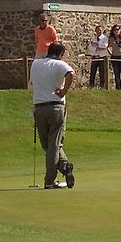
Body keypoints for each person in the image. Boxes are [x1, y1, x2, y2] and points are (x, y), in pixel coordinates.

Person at [30, 41, 75, 190]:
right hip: (55, 107)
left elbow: (32, 82)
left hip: (39, 108)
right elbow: (71, 74)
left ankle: (63, 167)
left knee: (48, 145)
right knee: (53, 145)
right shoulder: (59, 64)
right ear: (60, 54)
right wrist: (63, 91)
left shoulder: (35, 63)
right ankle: (51, 179)